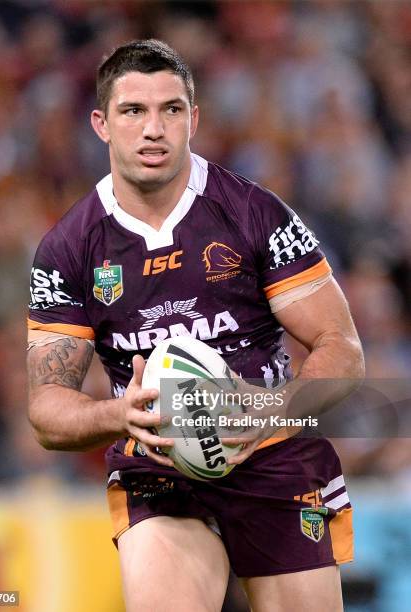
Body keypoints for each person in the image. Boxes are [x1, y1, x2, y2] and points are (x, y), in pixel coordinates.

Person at [27, 40, 364, 612]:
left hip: (274, 455)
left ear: (194, 119)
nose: (154, 128)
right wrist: (118, 414)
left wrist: (266, 409)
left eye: (172, 109)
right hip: (158, 470)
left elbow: (344, 351)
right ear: (101, 124)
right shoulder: (68, 248)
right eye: (133, 111)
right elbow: (46, 407)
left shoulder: (256, 214)